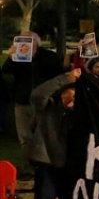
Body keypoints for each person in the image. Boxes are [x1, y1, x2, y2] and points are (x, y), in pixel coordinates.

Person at [25, 68, 83, 199]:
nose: (74, 97)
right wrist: (65, 78)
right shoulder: (47, 107)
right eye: (71, 93)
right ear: (62, 92)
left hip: (69, 166)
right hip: (47, 164)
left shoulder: (80, 114)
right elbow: (37, 94)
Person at [5, 32, 65, 168]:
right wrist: (11, 57)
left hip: (43, 103)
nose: (24, 44)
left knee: (43, 135)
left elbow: (58, 75)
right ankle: (29, 166)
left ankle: (44, 165)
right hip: (22, 102)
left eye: (28, 41)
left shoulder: (48, 57)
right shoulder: (17, 58)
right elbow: (6, 70)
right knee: (25, 136)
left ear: (36, 43)